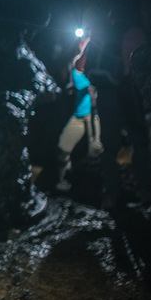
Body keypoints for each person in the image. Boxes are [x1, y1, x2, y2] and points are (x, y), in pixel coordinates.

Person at [56, 35, 103, 192]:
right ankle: (64, 181)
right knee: (64, 149)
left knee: (94, 152)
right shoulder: (76, 69)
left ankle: (89, 186)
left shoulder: (95, 67)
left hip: (92, 116)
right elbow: (69, 79)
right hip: (77, 115)